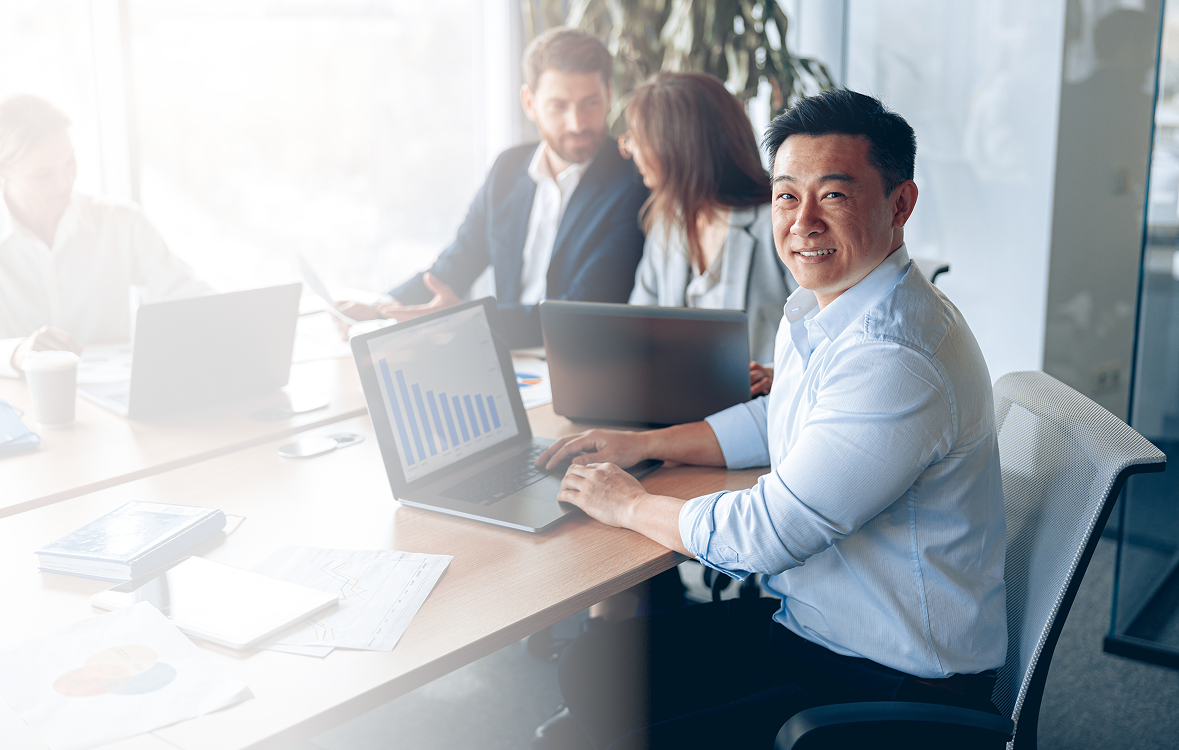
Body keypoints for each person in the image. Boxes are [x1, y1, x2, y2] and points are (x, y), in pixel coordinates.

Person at [531, 89, 1007, 750]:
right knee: (596, 670)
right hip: (816, 624)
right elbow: (771, 421)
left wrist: (629, 504)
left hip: (888, 679)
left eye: (833, 195)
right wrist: (637, 443)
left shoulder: (894, 357)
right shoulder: (828, 305)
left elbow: (763, 536)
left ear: (899, 205)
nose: (802, 221)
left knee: (605, 714)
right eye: (787, 195)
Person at [339, 28, 648, 348]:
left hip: (580, 363)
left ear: (609, 94)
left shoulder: (632, 181)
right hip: (507, 358)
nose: (577, 123)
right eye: (559, 106)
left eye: (590, 103)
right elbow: (457, 261)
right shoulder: (508, 168)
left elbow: (581, 311)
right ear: (530, 102)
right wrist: (382, 308)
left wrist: (469, 321)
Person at [0, 94, 211, 377]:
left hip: (110, 399)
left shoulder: (121, 223)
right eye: (43, 174)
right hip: (16, 405)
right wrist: (16, 354)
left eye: (70, 162)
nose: (65, 181)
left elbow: (186, 295)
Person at [623, 72, 795, 395]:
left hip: (761, 413)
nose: (630, 150)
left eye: (636, 138)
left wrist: (776, 375)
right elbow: (637, 331)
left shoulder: (778, 224)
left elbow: (827, 335)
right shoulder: (666, 224)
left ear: (675, 147)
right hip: (680, 405)